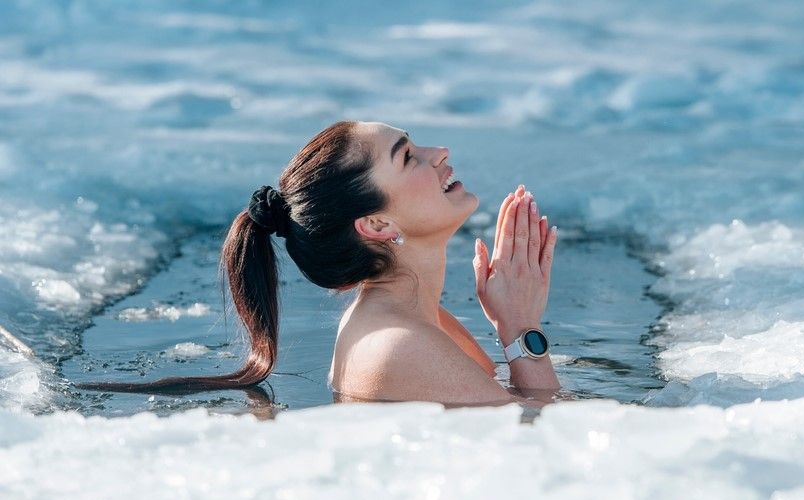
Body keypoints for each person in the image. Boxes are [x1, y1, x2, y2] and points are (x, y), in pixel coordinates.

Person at [76, 121, 560, 406]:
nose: (439, 154)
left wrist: (513, 330)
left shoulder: (415, 321)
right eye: (408, 157)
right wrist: (520, 327)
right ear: (374, 225)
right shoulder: (399, 345)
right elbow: (555, 445)